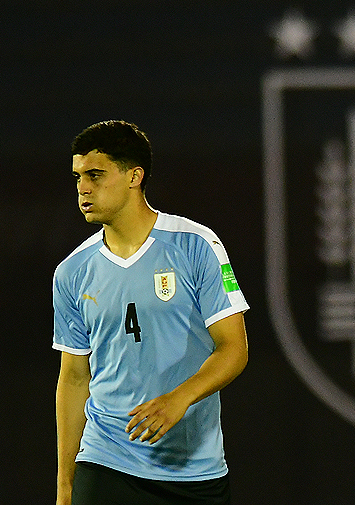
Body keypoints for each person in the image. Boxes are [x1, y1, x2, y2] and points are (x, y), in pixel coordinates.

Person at [53, 120, 249, 505]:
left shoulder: (195, 245)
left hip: (193, 469)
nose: (82, 188)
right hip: (106, 459)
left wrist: (179, 398)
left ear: (134, 176)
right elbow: (74, 379)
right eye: (77, 177)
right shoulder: (72, 272)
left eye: (95, 175)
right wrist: (65, 485)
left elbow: (233, 349)